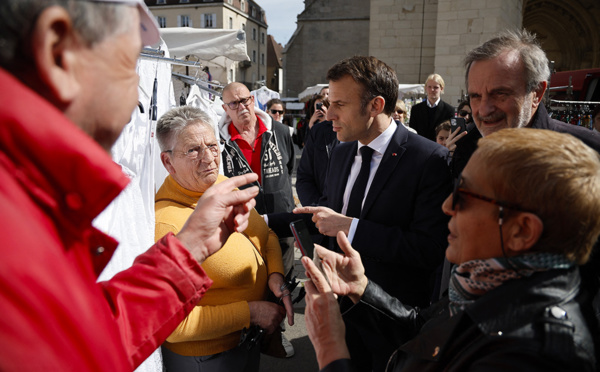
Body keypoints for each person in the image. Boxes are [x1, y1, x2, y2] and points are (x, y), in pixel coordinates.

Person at [0, 0, 260, 370]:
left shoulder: (34, 191)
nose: (138, 85)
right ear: (58, 51)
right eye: (129, 60)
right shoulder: (17, 219)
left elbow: (90, 337)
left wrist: (189, 247)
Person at [303, 128, 600, 372]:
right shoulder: (486, 281)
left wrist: (331, 349)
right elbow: (423, 332)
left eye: (466, 196)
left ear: (522, 231)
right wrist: (362, 288)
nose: (447, 206)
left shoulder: (533, 355)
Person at [278, 56, 451, 371]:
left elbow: (428, 249)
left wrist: (350, 227)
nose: (328, 113)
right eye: (330, 103)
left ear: (375, 106)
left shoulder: (428, 159)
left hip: (391, 322)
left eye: (339, 104)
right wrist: (257, 222)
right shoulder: (342, 150)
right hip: (338, 315)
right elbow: (327, 216)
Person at [154, 107, 292, 371]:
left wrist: (275, 274)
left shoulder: (221, 185)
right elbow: (172, 324)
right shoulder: (167, 223)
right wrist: (251, 313)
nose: (208, 158)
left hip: (244, 343)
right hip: (206, 359)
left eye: (212, 146)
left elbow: (265, 234)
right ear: (168, 162)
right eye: (193, 150)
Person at [219, 82, 296, 357]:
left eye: (244, 100)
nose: (241, 108)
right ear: (225, 108)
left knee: (281, 278)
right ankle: (251, 333)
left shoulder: (281, 132)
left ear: (253, 100)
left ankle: (277, 333)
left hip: (280, 219)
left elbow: (289, 169)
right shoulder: (220, 142)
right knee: (250, 277)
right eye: (233, 104)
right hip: (243, 225)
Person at [408, 74, 455, 141]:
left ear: (441, 88)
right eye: (429, 87)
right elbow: (412, 132)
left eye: (435, 87)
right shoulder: (416, 109)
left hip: (439, 148)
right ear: (426, 88)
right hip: (421, 147)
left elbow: (450, 133)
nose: (432, 90)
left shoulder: (449, 110)